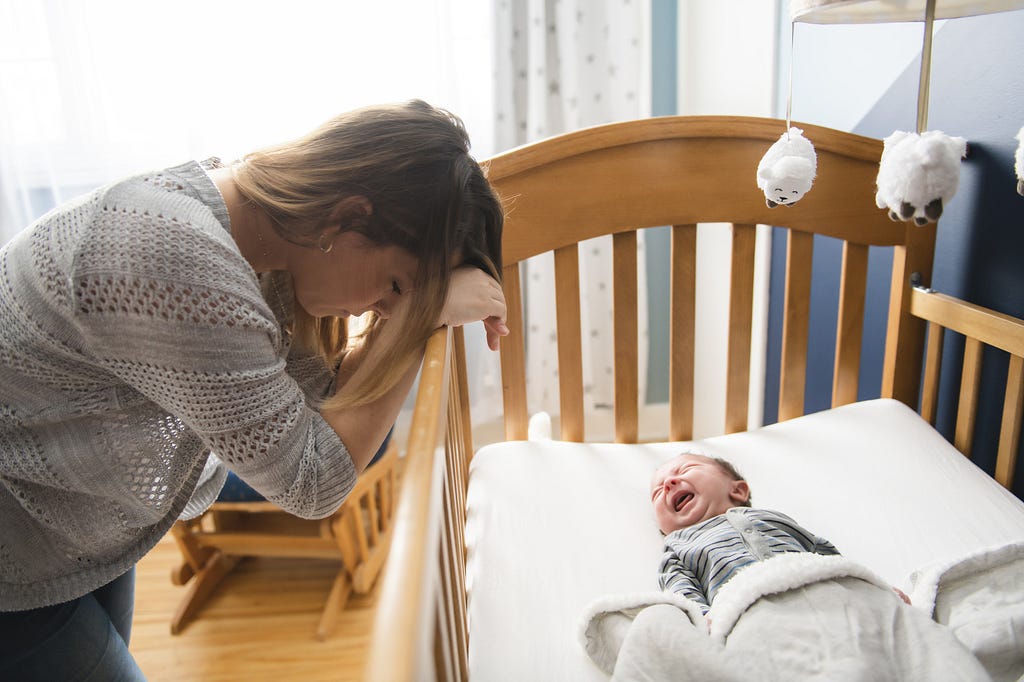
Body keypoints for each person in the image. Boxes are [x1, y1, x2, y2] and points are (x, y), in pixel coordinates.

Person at [0, 99, 507, 680]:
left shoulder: (258, 243)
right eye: (393, 285)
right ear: (348, 216)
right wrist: (420, 317)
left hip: (84, 517)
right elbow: (312, 482)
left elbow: (320, 402)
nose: (379, 310)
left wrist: (415, 305)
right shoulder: (177, 259)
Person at [640, 452, 990, 681]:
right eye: (658, 491)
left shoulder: (770, 517)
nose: (669, 482)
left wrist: (875, 586)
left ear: (739, 489)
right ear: (664, 527)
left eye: (684, 470)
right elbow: (679, 590)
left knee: (905, 641)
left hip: (826, 588)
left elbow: (824, 553)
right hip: (750, 607)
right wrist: (703, 620)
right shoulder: (678, 545)